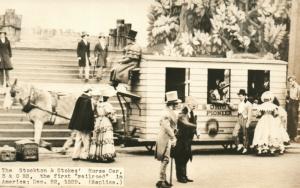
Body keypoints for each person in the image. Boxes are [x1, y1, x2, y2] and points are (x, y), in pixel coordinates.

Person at [155, 91, 181, 188]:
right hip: (165, 138)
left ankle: (163, 179)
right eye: (176, 104)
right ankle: (161, 181)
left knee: (166, 159)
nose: (177, 105)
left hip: (167, 138)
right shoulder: (166, 113)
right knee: (165, 159)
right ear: (172, 104)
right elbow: (166, 127)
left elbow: (171, 125)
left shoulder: (169, 112)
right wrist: (173, 137)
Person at [89, 87, 117, 162]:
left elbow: (95, 113)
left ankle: (97, 155)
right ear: (107, 98)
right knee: (106, 137)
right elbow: (110, 114)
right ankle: (107, 155)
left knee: (98, 138)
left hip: (98, 121)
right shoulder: (107, 105)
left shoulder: (98, 104)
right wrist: (113, 119)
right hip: (105, 121)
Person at [68, 85, 95, 160]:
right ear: (89, 91)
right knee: (86, 139)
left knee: (78, 139)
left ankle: (75, 155)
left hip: (78, 123)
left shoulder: (80, 98)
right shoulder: (89, 100)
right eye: (91, 91)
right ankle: (85, 155)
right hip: (85, 124)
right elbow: (90, 113)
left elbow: (76, 111)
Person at [228, 89, 252, 154]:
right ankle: (239, 145)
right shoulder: (240, 103)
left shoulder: (249, 104)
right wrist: (230, 105)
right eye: (239, 96)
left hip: (245, 119)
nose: (239, 97)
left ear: (244, 96)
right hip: (239, 119)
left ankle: (245, 147)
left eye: (240, 96)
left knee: (245, 134)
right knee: (234, 133)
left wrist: (248, 123)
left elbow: (250, 114)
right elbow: (236, 109)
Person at [286, 75, 300, 142]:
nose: (290, 82)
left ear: (294, 80)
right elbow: (289, 95)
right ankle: (290, 135)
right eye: (290, 81)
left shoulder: (298, 87)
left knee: (294, 118)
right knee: (289, 118)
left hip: (295, 102)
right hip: (290, 102)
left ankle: (295, 135)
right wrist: (288, 100)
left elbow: (299, 97)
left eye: (291, 81)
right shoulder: (290, 87)